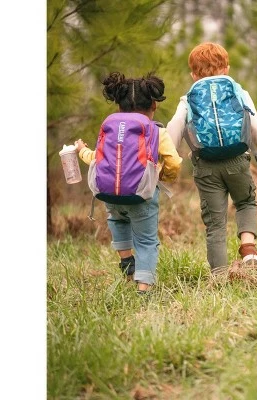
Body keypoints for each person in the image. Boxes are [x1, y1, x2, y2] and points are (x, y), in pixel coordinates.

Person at [166, 42, 257, 275]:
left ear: (193, 74)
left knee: (215, 223)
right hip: (237, 160)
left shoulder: (188, 98)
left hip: (206, 166)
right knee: (245, 202)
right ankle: (248, 249)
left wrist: (167, 162)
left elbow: (174, 128)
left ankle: (219, 276)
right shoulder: (238, 92)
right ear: (226, 69)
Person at [76, 71, 182, 294]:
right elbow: (173, 162)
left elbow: (96, 157)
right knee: (146, 241)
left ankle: (126, 260)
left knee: (118, 222)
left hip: (110, 195)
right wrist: (164, 176)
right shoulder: (156, 130)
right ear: (154, 105)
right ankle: (143, 289)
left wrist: (81, 150)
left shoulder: (111, 128)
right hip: (142, 196)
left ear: (119, 106)